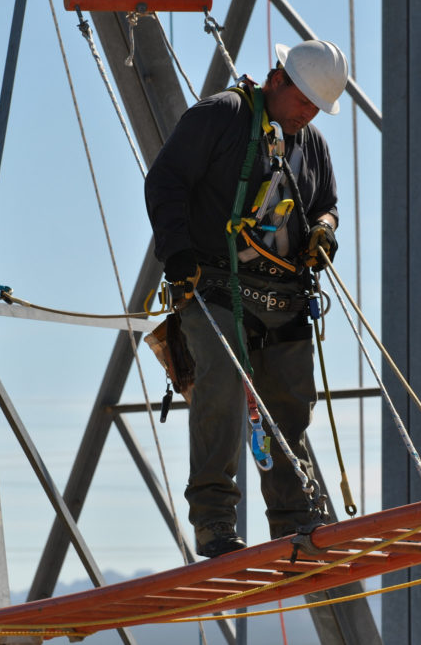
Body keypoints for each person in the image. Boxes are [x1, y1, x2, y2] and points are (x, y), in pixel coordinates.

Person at [144, 40, 348, 558]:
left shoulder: (312, 146)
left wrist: (323, 230)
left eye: (315, 108)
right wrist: (178, 256)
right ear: (277, 78)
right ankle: (214, 522)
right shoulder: (223, 117)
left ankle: (295, 521)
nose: (306, 115)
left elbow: (326, 205)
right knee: (221, 386)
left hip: (284, 295)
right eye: (303, 101)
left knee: (291, 406)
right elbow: (165, 180)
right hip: (215, 283)